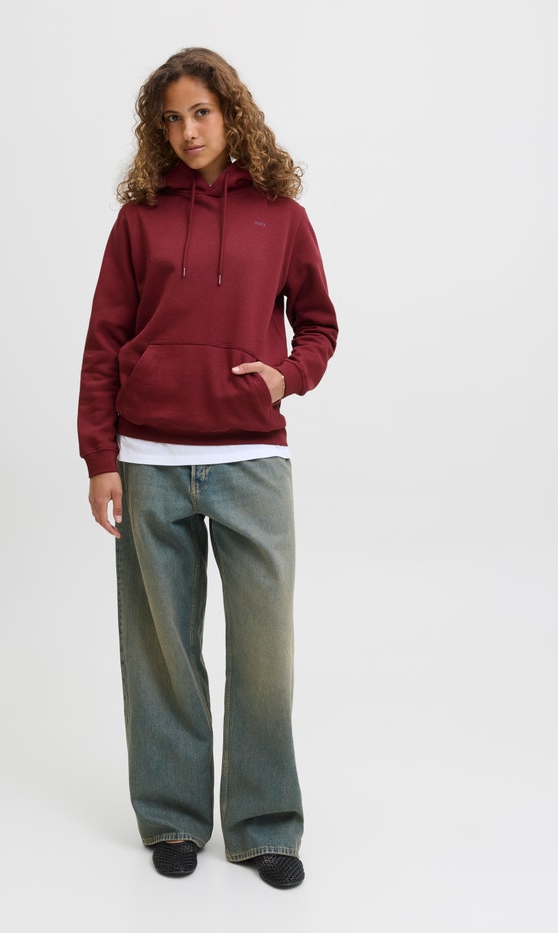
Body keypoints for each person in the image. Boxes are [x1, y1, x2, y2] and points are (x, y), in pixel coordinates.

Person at [77, 47, 338, 888]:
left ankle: (264, 826)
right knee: (161, 652)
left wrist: (288, 375)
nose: (188, 132)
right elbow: (104, 342)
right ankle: (173, 817)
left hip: (251, 457)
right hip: (149, 460)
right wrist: (101, 458)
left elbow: (320, 325)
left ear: (231, 114)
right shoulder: (140, 219)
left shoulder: (282, 216)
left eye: (201, 113)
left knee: (264, 652)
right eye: (172, 119)